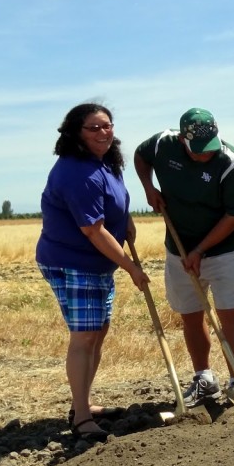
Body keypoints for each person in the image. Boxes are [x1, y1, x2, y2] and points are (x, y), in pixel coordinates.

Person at [36, 103, 150, 443]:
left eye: (107, 126)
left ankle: (82, 402)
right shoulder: (75, 172)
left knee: (98, 330)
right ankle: (81, 418)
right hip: (73, 261)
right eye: (94, 128)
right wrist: (131, 268)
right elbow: (93, 230)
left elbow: (115, 202)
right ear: (76, 133)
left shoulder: (106, 163)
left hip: (97, 262)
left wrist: (126, 220)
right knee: (84, 337)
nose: (104, 133)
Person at [134, 108, 234, 406]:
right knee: (190, 314)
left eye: (209, 149)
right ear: (183, 139)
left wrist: (201, 250)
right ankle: (204, 379)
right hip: (179, 247)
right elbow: (140, 155)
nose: (204, 155)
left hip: (226, 250)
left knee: (228, 315)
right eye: (198, 151)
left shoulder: (233, 166)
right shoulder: (163, 143)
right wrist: (149, 188)